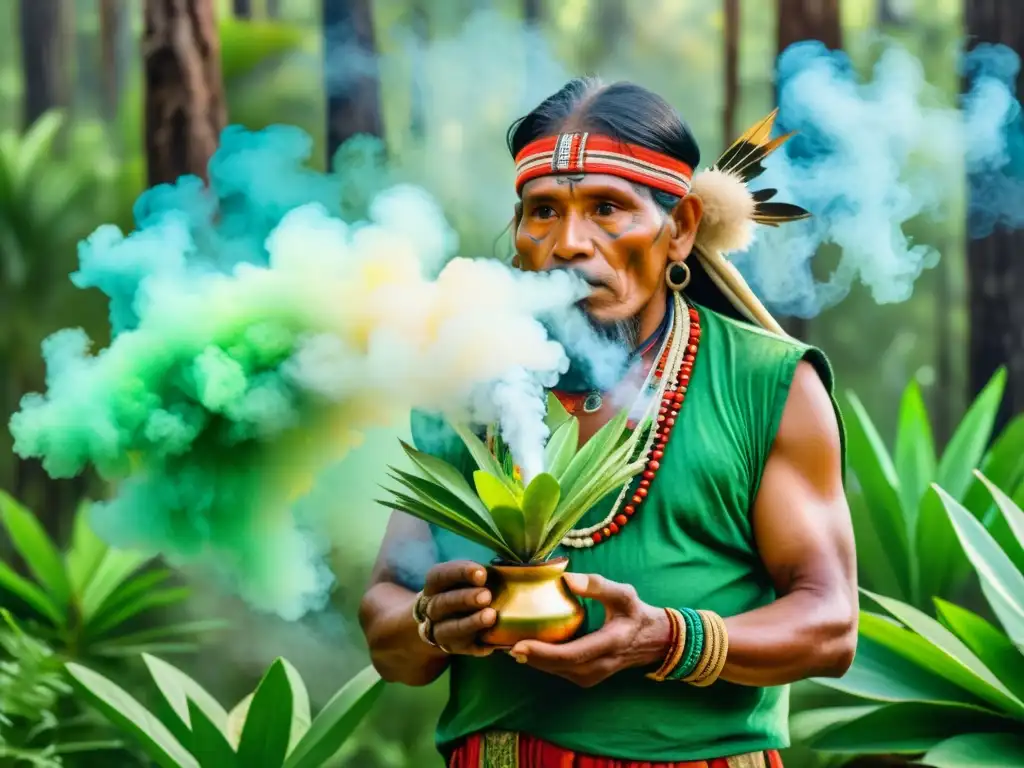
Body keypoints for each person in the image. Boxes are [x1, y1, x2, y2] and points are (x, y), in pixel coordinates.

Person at [358, 78, 857, 768]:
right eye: (543, 212)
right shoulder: (464, 380)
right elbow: (388, 628)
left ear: (678, 229)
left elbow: (830, 627)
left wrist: (665, 640)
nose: (568, 243)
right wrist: (431, 623)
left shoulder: (767, 383)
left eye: (606, 208)